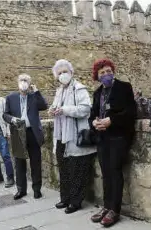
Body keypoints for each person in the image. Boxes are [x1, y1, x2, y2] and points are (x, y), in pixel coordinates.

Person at [88, 59, 137, 227]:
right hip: (102, 138)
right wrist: (94, 123)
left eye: (108, 71)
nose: (106, 74)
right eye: (102, 73)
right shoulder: (97, 93)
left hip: (118, 137)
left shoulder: (124, 87)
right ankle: (106, 206)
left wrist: (111, 120)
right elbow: (92, 114)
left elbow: (131, 112)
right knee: (105, 172)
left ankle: (114, 210)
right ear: (97, 76)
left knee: (115, 172)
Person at [48, 59, 96, 214]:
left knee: (77, 171)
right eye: (59, 73)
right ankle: (65, 198)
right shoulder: (59, 91)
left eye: (65, 72)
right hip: (61, 136)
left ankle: (76, 202)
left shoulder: (79, 88)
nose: (63, 75)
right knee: (64, 170)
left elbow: (85, 110)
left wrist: (64, 110)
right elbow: (57, 106)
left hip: (75, 136)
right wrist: (53, 110)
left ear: (71, 72)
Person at [3, 74, 48, 200]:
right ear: (17, 82)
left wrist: (37, 91)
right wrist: (12, 119)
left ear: (30, 83)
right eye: (22, 80)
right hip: (18, 133)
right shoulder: (11, 97)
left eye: (26, 81)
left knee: (36, 162)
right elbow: (5, 115)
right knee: (19, 162)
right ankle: (21, 190)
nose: (23, 83)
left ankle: (37, 189)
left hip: (32, 133)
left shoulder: (34, 96)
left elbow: (44, 106)